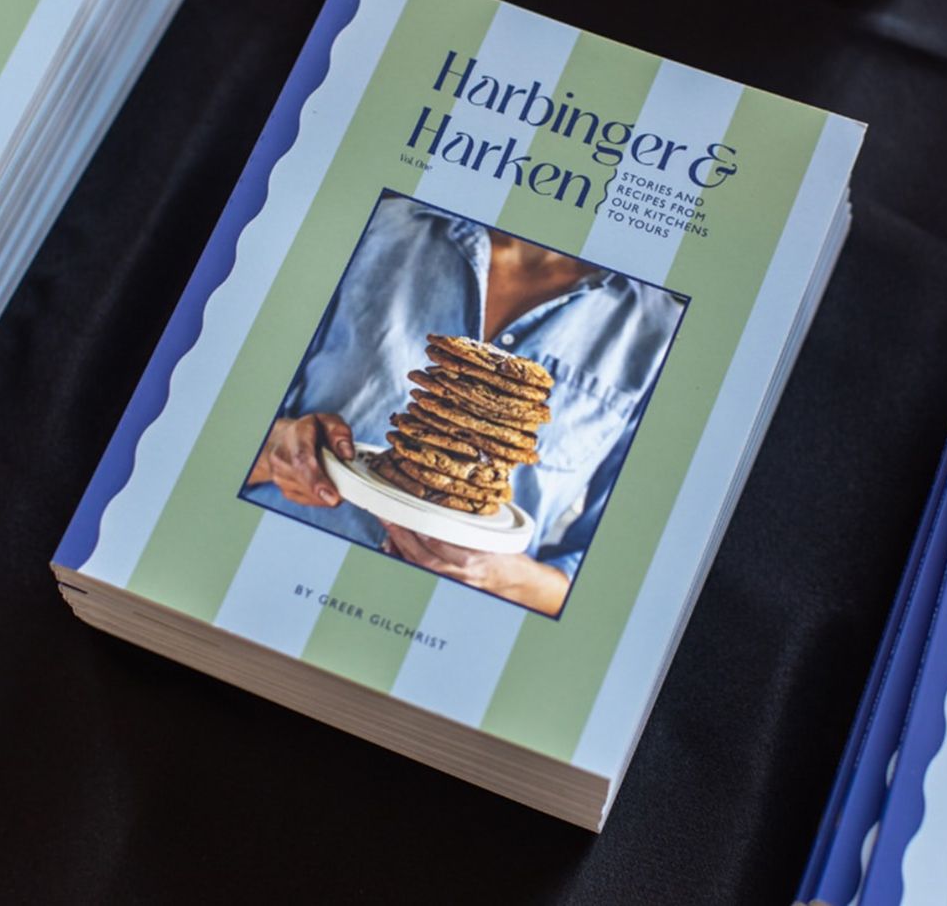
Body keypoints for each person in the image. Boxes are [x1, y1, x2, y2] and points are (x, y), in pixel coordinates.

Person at [243, 194, 683, 616]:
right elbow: (214, 428)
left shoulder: (663, 338)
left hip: (448, 629)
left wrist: (506, 579)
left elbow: (605, 590)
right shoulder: (379, 227)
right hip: (265, 569)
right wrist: (273, 451)